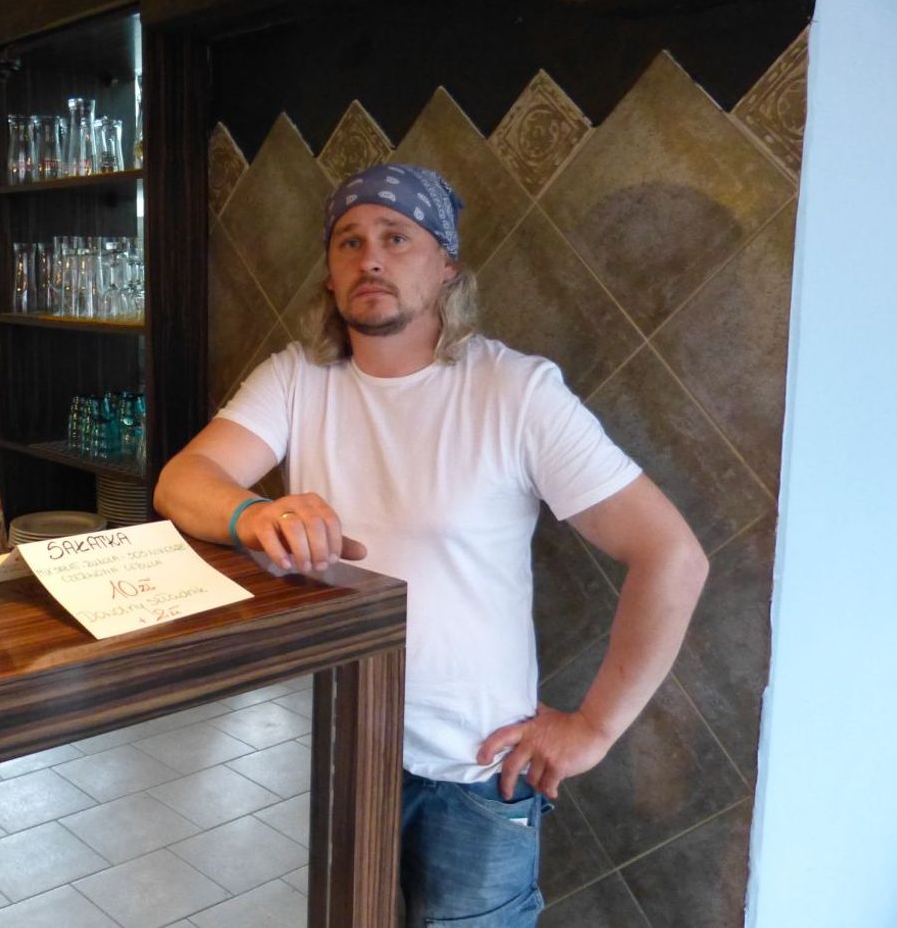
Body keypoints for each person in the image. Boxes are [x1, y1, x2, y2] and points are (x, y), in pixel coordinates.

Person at [154, 164, 708, 926]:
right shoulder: (297, 378)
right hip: (333, 758)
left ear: (447, 265)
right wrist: (253, 513)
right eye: (349, 242)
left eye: (396, 238)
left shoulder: (516, 392)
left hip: (475, 777)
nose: (370, 260)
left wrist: (593, 729)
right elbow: (182, 481)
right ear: (330, 273)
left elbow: (672, 556)